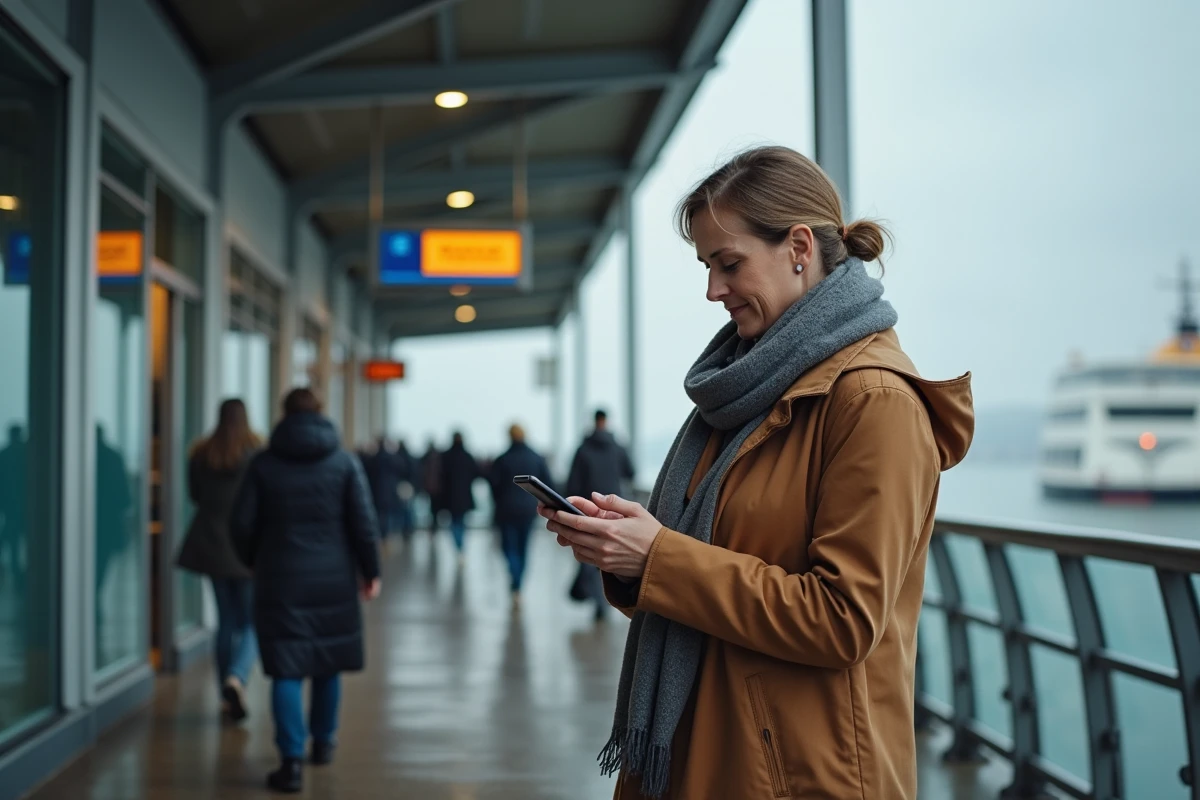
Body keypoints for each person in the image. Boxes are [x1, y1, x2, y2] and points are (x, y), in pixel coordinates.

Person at [540, 146, 974, 799]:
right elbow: (700, 566)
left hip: (798, 773)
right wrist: (628, 553)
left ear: (799, 246)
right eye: (707, 266)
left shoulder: (874, 402)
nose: (713, 289)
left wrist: (659, 556)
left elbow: (842, 620)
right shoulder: (742, 392)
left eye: (728, 263)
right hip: (711, 749)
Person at [231, 388, 382, 794]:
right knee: (327, 662)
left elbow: (241, 524)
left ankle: (291, 763)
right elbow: (363, 525)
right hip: (333, 577)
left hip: (279, 577)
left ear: (284, 415)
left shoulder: (263, 464)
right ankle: (324, 743)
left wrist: (252, 558)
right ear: (320, 413)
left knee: (286, 667)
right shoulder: (343, 462)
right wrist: (371, 572)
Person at [175, 399, 262, 723]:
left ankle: (225, 697)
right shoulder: (255, 452)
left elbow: (195, 496)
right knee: (252, 621)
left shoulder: (201, 453)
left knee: (226, 621)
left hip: (211, 545)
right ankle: (236, 678)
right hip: (245, 548)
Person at [565, 410, 635, 621]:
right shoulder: (617, 447)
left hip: (588, 510)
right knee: (610, 555)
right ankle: (606, 601)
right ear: (607, 421)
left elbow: (573, 483)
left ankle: (598, 602)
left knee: (589, 555)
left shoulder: (583, 449)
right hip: (614, 509)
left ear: (594, 421)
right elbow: (631, 472)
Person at [488, 424, 552, 608]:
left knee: (509, 548)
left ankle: (514, 579)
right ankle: (518, 586)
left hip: (506, 510)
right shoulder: (536, 458)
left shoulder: (502, 459)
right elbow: (547, 484)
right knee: (523, 549)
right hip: (527, 511)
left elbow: (494, 485)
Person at [439, 432, 480, 556]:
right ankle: (460, 546)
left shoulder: (445, 456)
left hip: (449, 496)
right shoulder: (467, 456)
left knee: (454, 522)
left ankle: (458, 546)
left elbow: (440, 476)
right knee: (461, 522)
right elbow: (476, 473)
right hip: (464, 496)